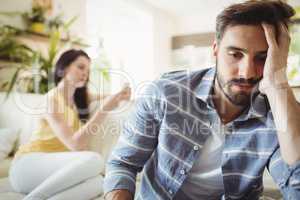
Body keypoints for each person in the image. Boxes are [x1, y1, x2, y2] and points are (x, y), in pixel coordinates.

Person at [103, 1, 300, 199]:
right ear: (215, 49)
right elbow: (123, 163)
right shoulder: (165, 93)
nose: (247, 72)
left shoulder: (279, 112)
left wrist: (278, 83)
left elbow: (297, 185)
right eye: (235, 54)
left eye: (262, 57)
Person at [9, 49, 131, 200]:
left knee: (99, 182)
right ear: (63, 68)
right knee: (95, 159)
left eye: (88, 70)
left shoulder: (79, 99)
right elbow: (75, 145)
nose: (85, 73)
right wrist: (104, 109)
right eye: (80, 67)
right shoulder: (51, 100)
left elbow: (110, 96)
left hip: (57, 171)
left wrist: (122, 94)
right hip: (27, 167)